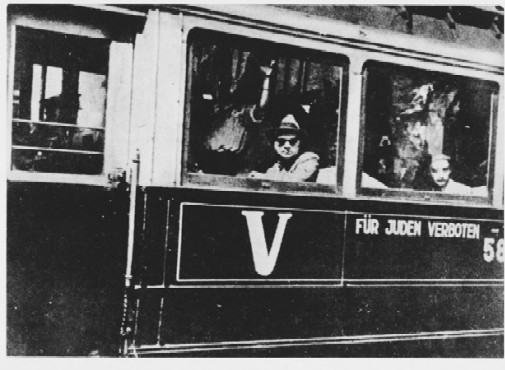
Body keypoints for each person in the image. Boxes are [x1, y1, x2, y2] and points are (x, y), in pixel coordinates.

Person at [250, 114, 319, 182]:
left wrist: (263, 177)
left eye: (292, 141)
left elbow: (293, 183)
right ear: (274, 144)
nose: (287, 146)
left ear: (300, 143)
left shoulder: (309, 160)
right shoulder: (278, 165)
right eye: (281, 141)